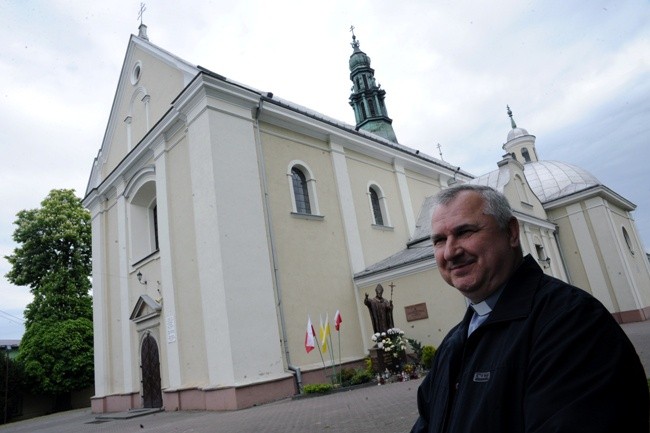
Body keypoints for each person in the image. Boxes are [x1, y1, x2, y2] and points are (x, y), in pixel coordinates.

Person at [410, 184, 649, 433]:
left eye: (465, 231)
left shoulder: (572, 323)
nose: (450, 251)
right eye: (439, 240)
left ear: (511, 233)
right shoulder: (453, 343)